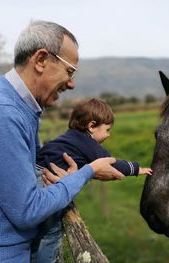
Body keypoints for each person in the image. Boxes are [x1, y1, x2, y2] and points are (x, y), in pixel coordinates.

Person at [0, 20, 124, 263]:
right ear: (41, 60)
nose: (72, 83)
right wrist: (88, 171)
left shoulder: (19, 107)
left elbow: (25, 175)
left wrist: (64, 174)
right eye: (70, 71)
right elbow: (27, 210)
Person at [32, 98, 152, 262]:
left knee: (35, 231)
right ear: (92, 126)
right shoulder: (87, 142)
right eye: (107, 130)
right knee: (50, 232)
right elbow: (111, 164)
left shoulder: (70, 137)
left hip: (34, 174)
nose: (109, 135)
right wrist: (137, 169)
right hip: (45, 183)